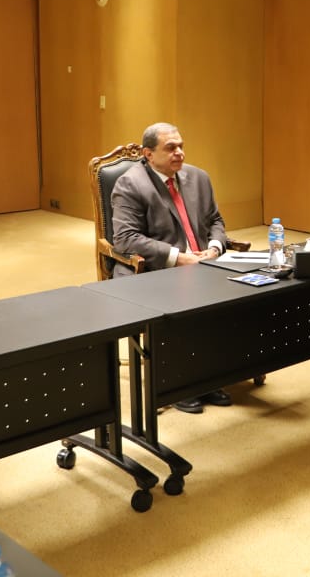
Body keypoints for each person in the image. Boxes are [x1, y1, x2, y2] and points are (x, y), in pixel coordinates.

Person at [111, 122, 233, 414]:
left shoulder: (199, 177)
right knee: (185, 298)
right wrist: (180, 258)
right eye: (170, 148)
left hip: (204, 261)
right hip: (157, 268)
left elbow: (215, 220)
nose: (179, 153)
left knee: (244, 291)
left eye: (181, 146)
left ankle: (209, 375)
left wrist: (215, 248)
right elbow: (125, 238)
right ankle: (178, 382)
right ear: (148, 154)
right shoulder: (130, 184)